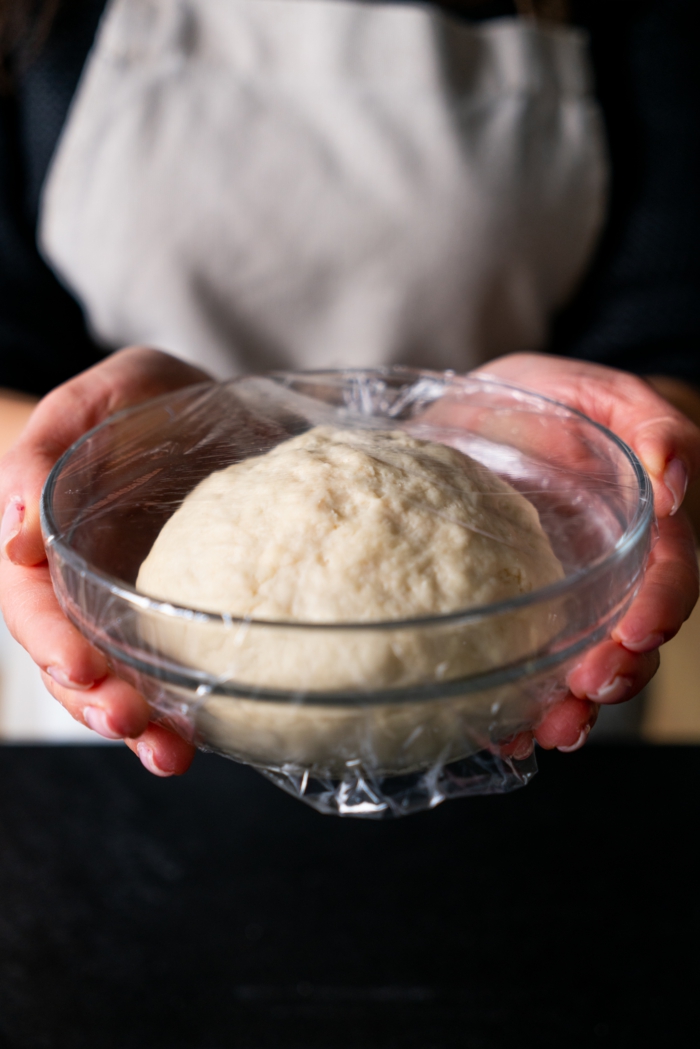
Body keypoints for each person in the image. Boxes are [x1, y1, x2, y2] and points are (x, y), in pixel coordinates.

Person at [1, 0, 699, 777]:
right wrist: (67, 471)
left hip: (532, 674)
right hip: (131, 674)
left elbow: (672, 309)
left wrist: (619, 451)